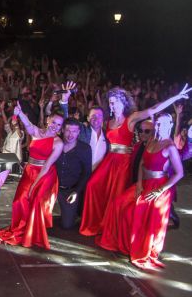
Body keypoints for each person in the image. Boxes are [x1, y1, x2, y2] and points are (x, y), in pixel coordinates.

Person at [79, 84, 191, 236]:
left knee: (115, 196)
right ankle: (95, 223)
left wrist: (175, 97)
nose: (114, 105)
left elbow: (153, 110)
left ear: (123, 102)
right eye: (111, 102)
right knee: (92, 185)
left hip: (123, 162)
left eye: (117, 101)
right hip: (109, 160)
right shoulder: (109, 121)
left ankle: (110, 229)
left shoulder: (131, 119)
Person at [97, 113, 184, 270]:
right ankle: (123, 243)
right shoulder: (152, 139)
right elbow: (142, 162)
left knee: (137, 215)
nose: (159, 127)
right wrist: (138, 183)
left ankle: (141, 249)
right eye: (157, 124)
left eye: (163, 124)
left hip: (159, 188)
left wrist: (160, 190)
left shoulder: (170, 147)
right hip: (144, 182)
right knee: (119, 203)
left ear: (169, 126)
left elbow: (179, 173)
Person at [0, 103, 64, 249]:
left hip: (45, 174)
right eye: (54, 122)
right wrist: (19, 112)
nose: (55, 126)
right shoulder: (37, 132)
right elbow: (27, 124)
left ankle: (32, 234)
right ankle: (19, 229)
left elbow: (46, 166)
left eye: (59, 125)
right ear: (48, 120)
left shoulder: (58, 143)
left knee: (35, 202)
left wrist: (34, 184)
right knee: (19, 200)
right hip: (29, 170)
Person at [54, 119, 92, 229]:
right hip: (53, 187)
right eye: (68, 131)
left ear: (79, 132)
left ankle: (72, 212)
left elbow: (87, 172)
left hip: (70, 191)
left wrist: (76, 192)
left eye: (74, 131)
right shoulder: (56, 143)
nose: (71, 134)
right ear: (62, 130)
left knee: (67, 225)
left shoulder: (84, 148)